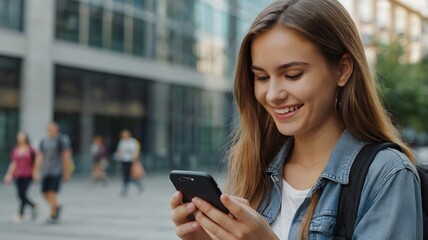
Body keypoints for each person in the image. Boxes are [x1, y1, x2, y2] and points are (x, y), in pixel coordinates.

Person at [170, 0, 423, 239]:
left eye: (292, 75)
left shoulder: (386, 174)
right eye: (261, 77)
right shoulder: (251, 165)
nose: (273, 95)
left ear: (343, 70)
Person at [33, 122, 72, 224]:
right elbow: (40, 156)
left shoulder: (61, 140)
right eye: (51, 129)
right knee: (44, 193)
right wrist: (36, 170)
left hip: (57, 170)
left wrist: (66, 172)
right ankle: (56, 206)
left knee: (52, 191)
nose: (53, 130)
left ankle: (52, 214)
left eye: (55, 128)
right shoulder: (43, 141)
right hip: (46, 170)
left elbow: (65, 156)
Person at [3, 132, 38, 223]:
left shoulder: (31, 150)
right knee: (20, 195)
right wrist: (9, 174)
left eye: (22, 137)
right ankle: (33, 206)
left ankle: (21, 214)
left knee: (23, 194)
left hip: (28, 174)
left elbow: (35, 163)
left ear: (26, 138)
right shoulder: (16, 150)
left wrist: (35, 173)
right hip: (18, 174)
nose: (20, 139)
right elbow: (14, 163)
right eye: (19, 137)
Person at [115, 129, 143, 196]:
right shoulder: (122, 142)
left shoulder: (132, 141)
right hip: (123, 160)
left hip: (130, 160)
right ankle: (134, 185)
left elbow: (136, 151)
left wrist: (134, 159)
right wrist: (119, 155)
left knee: (127, 176)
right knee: (125, 175)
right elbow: (119, 150)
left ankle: (127, 188)